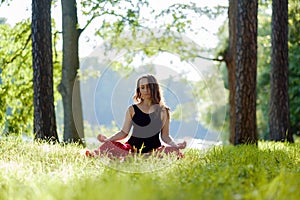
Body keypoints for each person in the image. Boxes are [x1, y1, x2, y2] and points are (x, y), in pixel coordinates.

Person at [86, 74, 186, 158]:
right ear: (139, 91)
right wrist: (107, 140)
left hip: (153, 151)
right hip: (131, 149)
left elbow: (165, 136)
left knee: (173, 151)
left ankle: (143, 157)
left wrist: (175, 145)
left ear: (154, 88)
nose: (146, 90)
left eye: (148, 86)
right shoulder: (132, 110)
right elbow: (124, 133)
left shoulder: (164, 111)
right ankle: (95, 154)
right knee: (110, 145)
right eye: (142, 87)